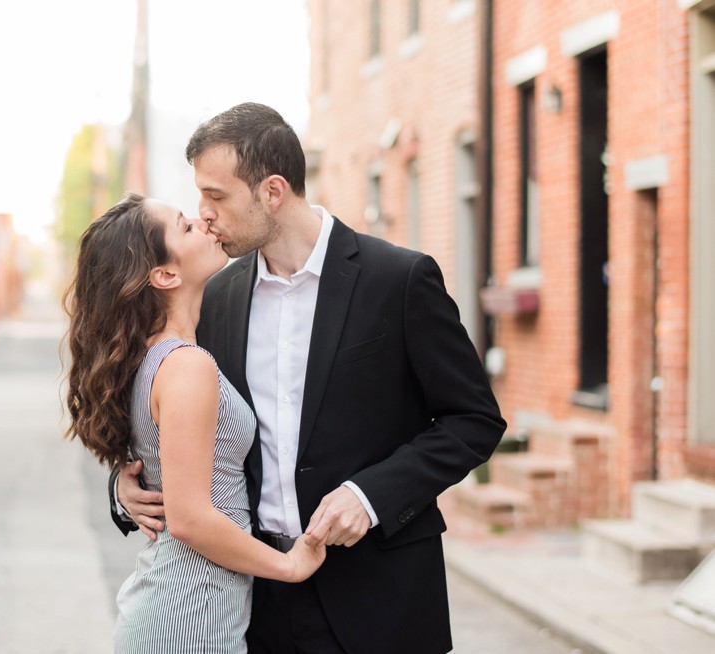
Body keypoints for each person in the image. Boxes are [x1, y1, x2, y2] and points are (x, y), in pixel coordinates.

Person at [112, 103, 506, 654]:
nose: (203, 215)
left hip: (380, 600)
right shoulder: (216, 298)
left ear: (272, 191)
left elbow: (475, 421)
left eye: (216, 196)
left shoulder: (399, 279)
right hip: (257, 602)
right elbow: (180, 421)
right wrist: (127, 486)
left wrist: (369, 496)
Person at [65, 193, 326, 653]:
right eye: (184, 226)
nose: (203, 221)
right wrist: (290, 566)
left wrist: (126, 484)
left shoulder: (159, 354)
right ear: (165, 275)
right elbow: (189, 519)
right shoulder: (187, 365)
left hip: (194, 611)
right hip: (188, 618)